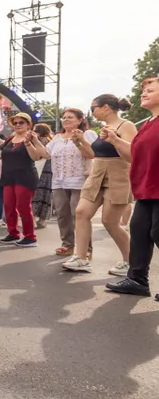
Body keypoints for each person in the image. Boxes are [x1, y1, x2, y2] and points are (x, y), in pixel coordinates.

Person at [59, 94, 136, 274]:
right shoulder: (104, 127)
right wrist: (80, 142)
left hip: (118, 175)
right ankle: (81, 257)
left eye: (93, 107)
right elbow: (93, 154)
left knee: (110, 222)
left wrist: (115, 139)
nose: (92, 111)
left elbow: (133, 154)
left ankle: (130, 261)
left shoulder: (126, 125)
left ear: (106, 107)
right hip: (98, 173)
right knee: (81, 212)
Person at [105, 78, 159, 297]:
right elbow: (134, 156)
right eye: (143, 91)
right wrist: (115, 140)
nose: (143, 94)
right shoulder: (147, 124)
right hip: (147, 188)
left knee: (157, 231)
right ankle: (137, 280)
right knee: (139, 232)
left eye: (150, 90)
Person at [37, 109, 98, 257]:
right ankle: (67, 245)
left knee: (79, 215)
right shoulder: (57, 138)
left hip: (79, 181)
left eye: (70, 117)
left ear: (80, 120)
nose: (66, 120)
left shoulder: (88, 134)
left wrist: (78, 141)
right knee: (62, 214)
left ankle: (86, 249)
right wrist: (33, 142)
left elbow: (91, 154)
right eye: (64, 117)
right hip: (59, 181)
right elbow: (45, 154)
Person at [0, 112, 41, 247]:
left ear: (28, 124)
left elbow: (36, 156)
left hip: (25, 177)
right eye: (15, 123)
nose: (17, 125)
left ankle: (30, 237)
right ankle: (13, 233)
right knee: (8, 206)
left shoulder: (31, 138)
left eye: (21, 122)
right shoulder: (10, 139)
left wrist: (29, 143)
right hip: (9, 177)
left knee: (23, 207)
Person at [31, 123, 54, 229]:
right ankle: (42, 219)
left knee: (36, 193)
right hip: (48, 170)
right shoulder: (51, 141)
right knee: (46, 195)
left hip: (39, 168)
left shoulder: (38, 140)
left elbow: (37, 156)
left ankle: (32, 217)